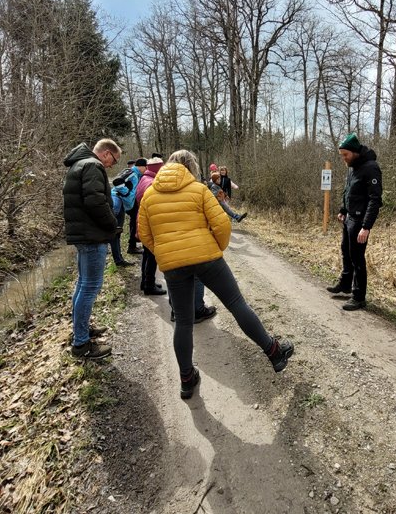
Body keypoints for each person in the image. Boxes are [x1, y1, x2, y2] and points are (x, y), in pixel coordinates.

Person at [137, 149, 294, 399]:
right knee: (236, 304)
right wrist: (215, 248)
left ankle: (187, 379)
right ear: (192, 167)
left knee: (184, 321)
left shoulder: (149, 196)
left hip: (172, 266)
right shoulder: (198, 190)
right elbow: (222, 224)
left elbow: (143, 234)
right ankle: (274, 352)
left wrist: (165, 254)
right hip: (207, 259)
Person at [63, 139, 121, 359]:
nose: (112, 166)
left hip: (83, 234)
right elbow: (96, 202)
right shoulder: (92, 165)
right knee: (89, 286)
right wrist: (112, 223)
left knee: (82, 284)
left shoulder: (79, 164)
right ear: (106, 154)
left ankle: (81, 330)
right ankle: (81, 344)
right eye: (113, 160)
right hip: (91, 235)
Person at [327, 133, 382, 311]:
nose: (343, 158)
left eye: (345, 155)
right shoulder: (352, 166)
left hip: (360, 222)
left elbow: (375, 200)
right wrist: (343, 210)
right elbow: (349, 191)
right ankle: (345, 285)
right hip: (349, 218)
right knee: (346, 252)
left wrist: (366, 227)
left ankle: (358, 297)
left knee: (357, 258)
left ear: (355, 152)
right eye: (341, 155)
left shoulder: (371, 168)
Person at [135, 154, 167, 296]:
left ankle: (146, 282)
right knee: (152, 255)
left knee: (147, 254)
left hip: (143, 221)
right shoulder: (151, 183)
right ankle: (149, 285)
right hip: (149, 223)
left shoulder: (144, 179)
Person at [109, 179, 135, 268]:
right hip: (114, 219)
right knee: (115, 236)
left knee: (117, 236)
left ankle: (119, 259)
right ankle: (118, 260)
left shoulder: (120, 198)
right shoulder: (117, 198)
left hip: (121, 209)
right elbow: (114, 212)